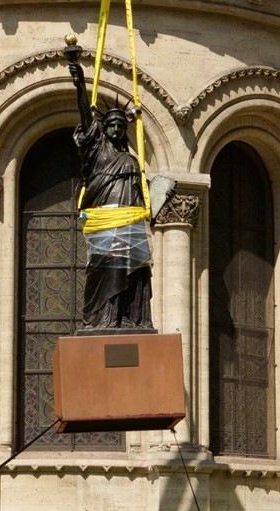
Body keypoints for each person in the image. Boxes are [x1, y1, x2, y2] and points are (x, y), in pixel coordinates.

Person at [65, 43, 154, 330]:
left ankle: (127, 317)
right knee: (104, 268)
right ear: (104, 130)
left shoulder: (130, 158)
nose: (116, 129)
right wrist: (79, 80)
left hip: (131, 223)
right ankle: (101, 319)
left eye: (120, 125)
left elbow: (141, 194)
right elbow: (85, 113)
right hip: (105, 221)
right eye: (111, 125)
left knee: (134, 271)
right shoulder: (96, 152)